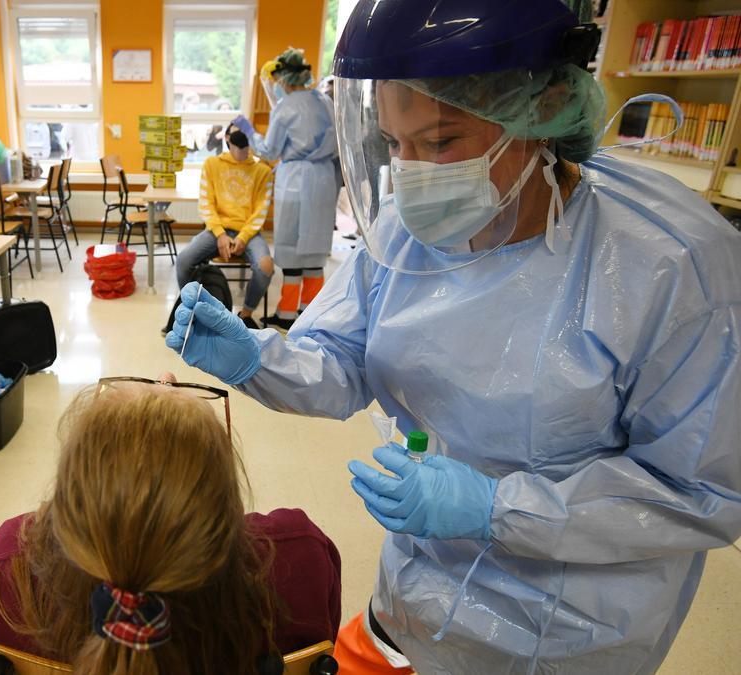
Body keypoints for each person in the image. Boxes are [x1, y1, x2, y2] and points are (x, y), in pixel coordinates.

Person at [166, 1, 741, 673]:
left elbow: (704, 492)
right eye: (395, 144)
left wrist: (498, 508)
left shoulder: (668, 264)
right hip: (416, 603)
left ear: (544, 108)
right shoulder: (407, 234)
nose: (413, 172)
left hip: (568, 639)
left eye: (440, 142)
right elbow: (344, 359)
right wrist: (258, 358)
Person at [0, 379, 341, 674]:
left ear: (72, 503)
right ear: (219, 505)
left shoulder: (11, 572)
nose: (163, 382)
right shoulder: (301, 559)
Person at [232, 48, 340, 330]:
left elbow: (269, 150)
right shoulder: (324, 100)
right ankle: (309, 313)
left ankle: (287, 314)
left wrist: (248, 130)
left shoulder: (286, 107)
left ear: (283, 79)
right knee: (315, 250)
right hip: (324, 179)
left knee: (291, 249)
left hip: (295, 179)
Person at [174, 124, 274, 329]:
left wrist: (243, 237)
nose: (243, 152)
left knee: (265, 266)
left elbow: (260, 211)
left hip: (248, 231)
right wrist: (220, 234)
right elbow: (205, 203)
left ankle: (245, 315)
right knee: (184, 261)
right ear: (228, 141)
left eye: (246, 147)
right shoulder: (212, 164)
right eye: (238, 146)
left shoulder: (262, 171)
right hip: (216, 229)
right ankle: (195, 309)